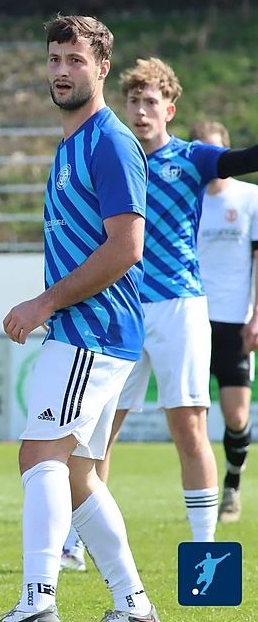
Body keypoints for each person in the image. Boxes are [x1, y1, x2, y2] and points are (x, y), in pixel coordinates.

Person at [0, 15, 159, 622]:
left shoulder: (110, 141)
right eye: (54, 59)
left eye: (75, 59)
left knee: (39, 456)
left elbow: (127, 248)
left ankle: (39, 603)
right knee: (77, 475)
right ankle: (133, 603)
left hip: (92, 331)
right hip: (93, 332)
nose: (62, 71)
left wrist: (45, 303)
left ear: (102, 68)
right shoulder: (75, 141)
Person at [101, 57, 258, 542]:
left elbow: (242, 160)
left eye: (151, 102)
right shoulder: (111, 157)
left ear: (169, 109)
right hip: (121, 305)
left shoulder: (193, 157)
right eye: (134, 101)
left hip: (179, 305)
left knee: (189, 429)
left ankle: (204, 549)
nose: (141, 110)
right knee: (98, 431)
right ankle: (73, 543)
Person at [192, 119, 258, 523]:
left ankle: (232, 481)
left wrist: (256, 316)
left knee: (236, 416)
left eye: (218, 152)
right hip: (193, 317)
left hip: (236, 321)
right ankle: (202, 500)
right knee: (193, 416)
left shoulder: (250, 198)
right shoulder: (189, 197)